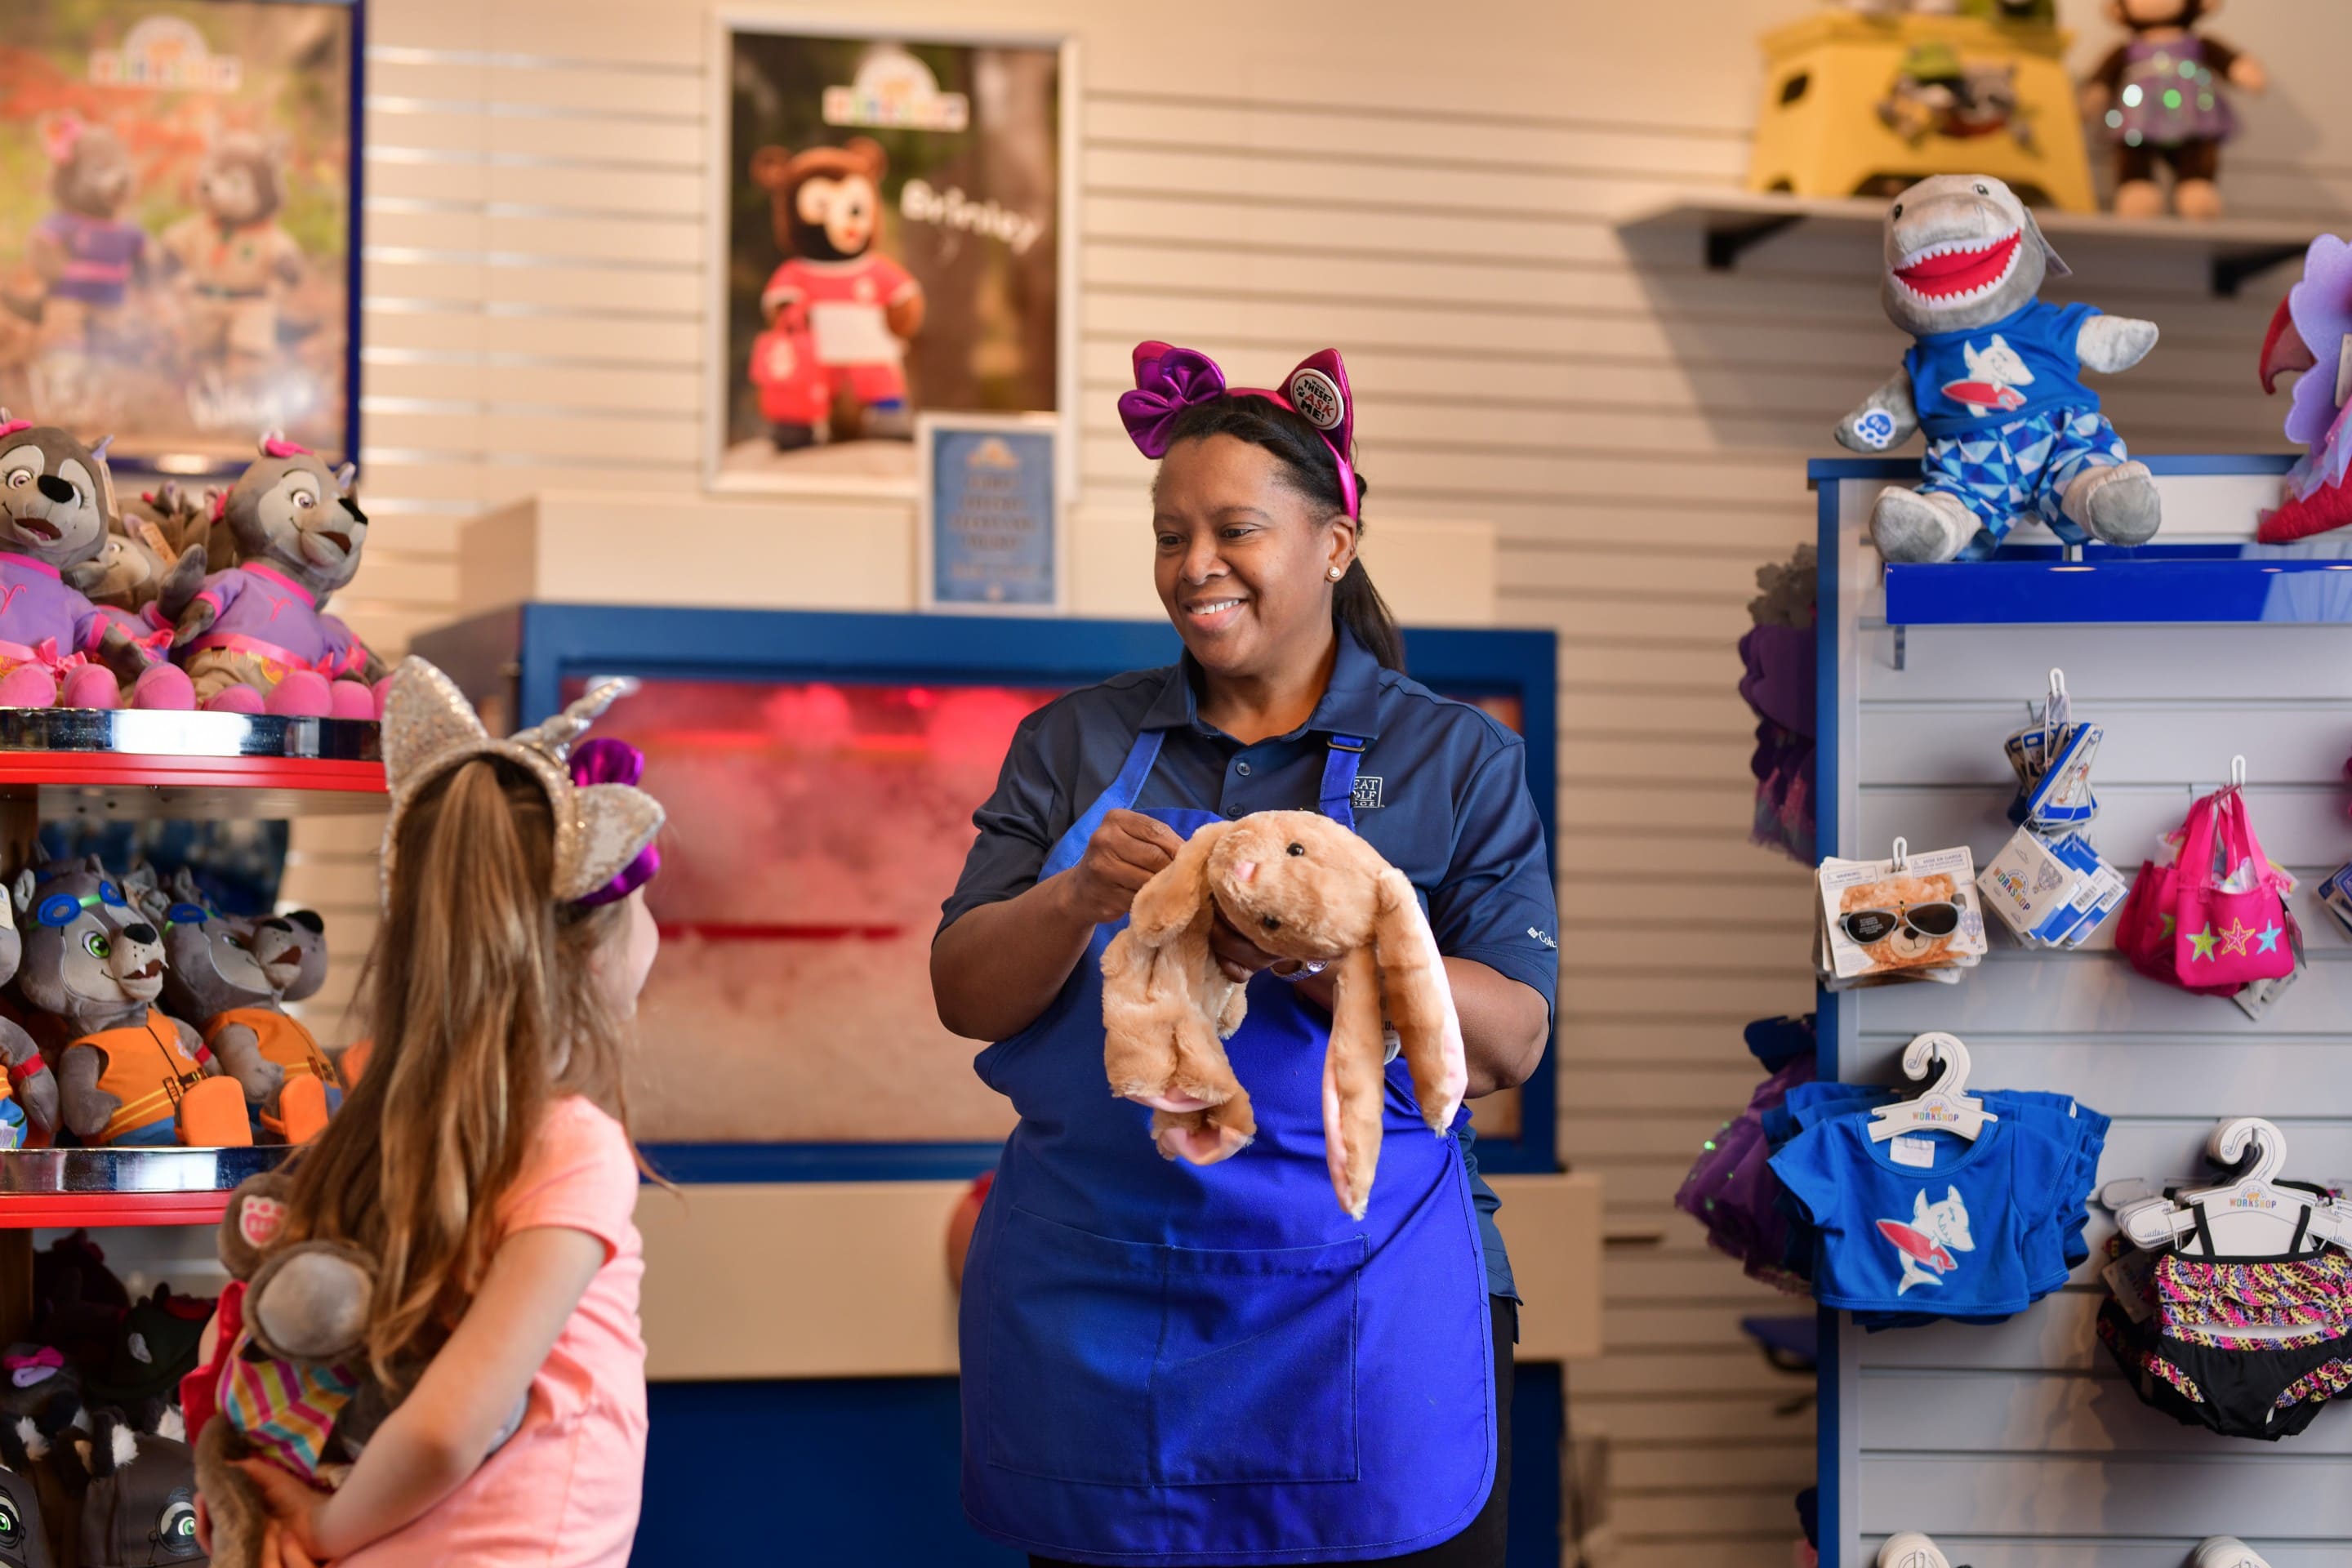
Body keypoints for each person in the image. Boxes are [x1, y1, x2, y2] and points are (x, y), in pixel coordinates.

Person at [933, 341, 1561, 1566]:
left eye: (1235, 531)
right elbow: (964, 992)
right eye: (1171, 536)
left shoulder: (1454, 759)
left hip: (1368, 1307)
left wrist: (1306, 951)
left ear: (1336, 543)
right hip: (1100, 1309)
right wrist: (1074, 899)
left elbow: (1508, 1043)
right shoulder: (1072, 744)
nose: (1194, 567)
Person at [190, 661, 666, 1568]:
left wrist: (299, 1524)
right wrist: (322, 1528)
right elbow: (450, 1429)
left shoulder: (374, 1109)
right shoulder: (574, 1146)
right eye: (645, 908)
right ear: (589, 952)